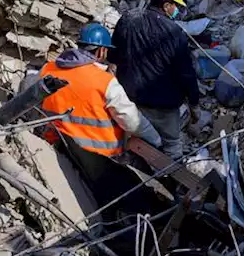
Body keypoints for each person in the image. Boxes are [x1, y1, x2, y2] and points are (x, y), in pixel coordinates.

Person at [38, 23, 161, 158]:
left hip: (53, 144)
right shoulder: (105, 82)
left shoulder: (48, 69)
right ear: (102, 51)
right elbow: (131, 120)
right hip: (99, 157)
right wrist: (155, 139)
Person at [109, 0, 199, 159]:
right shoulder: (174, 33)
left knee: (133, 146)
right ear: (166, 5)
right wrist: (194, 103)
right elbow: (186, 74)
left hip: (131, 102)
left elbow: (113, 59)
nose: (177, 11)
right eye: (176, 6)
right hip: (164, 108)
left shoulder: (128, 20)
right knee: (171, 148)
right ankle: (172, 182)